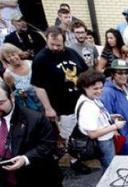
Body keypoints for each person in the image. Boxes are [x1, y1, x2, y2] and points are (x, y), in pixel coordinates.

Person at [0, 85, 76, 187]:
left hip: (41, 174)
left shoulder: (34, 118)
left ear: (12, 98)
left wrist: (26, 159)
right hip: (11, 180)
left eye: (0, 102)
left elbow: (47, 145)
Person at [31, 26, 89, 173]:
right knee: (70, 135)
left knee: (83, 131)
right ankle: (75, 160)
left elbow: (85, 73)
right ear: (47, 39)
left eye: (59, 45)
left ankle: (81, 153)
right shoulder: (41, 59)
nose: (56, 48)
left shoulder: (72, 53)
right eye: (52, 45)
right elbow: (39, 87)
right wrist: (48, 108)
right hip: (62, 106)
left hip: (80, 102)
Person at [75, 69, 125, 170]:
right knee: (110, 169)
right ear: (84, 87)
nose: (99, 91)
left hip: (104, 141)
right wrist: (115, 126)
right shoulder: (88, 107)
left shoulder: (89, 98)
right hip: (103, 142)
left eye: (101, 88)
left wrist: (110, 116)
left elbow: (97, 116)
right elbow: (92, 134)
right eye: (95, 89)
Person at [101, 59, 128, 155]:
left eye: (126, 73)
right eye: (120, 73)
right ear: (113, 74)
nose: (124, 76)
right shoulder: (107, 92)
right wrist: (115, 132)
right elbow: (107, 116)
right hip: (123, 134)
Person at [1, 43, 42, 112]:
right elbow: (13, 91)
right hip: (31, 105)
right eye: (8, 57)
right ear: (5, 60)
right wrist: (22, 93)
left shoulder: (31, 63)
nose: (12, 58)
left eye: (13, 54)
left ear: (17, 53)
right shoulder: (8, 74)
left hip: (44, 99)